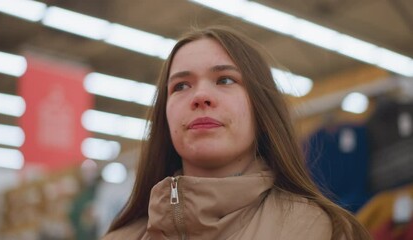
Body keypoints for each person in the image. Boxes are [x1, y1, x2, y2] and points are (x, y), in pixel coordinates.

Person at [103, 26, 371, 240]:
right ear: (165, 115)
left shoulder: (325, 232)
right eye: (181, 86)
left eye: (225, 80)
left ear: (261, 107)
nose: (200, 96)